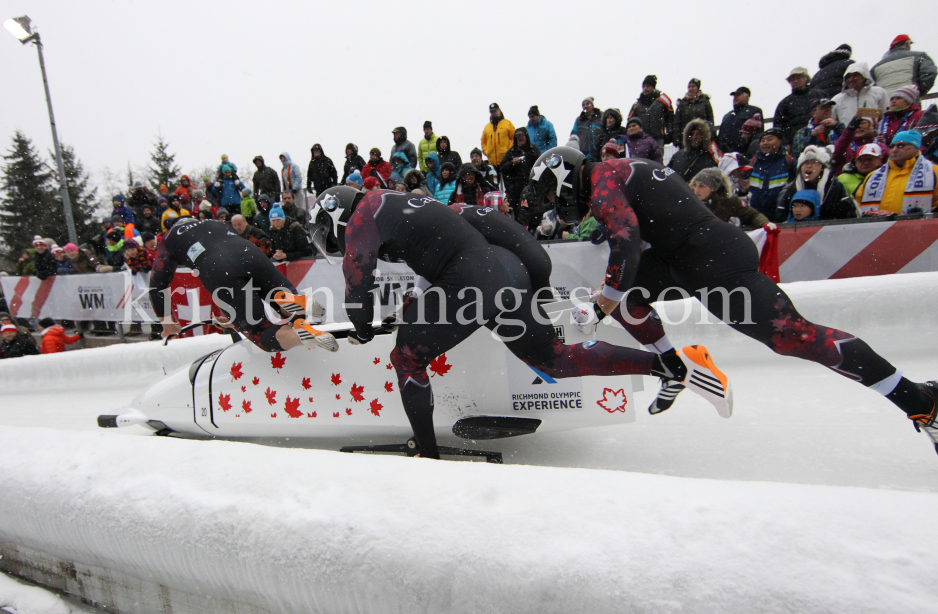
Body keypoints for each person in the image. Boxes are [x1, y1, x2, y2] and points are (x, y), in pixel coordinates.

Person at [529, 145, 938, 448]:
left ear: (562, 178)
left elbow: (626, 242)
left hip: (711, 260)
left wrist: (601, 308)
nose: (553, 203)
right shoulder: (615, 170)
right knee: (622, 299)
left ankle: (921, 402)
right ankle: (675, 367)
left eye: (550, 194)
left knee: (793, 337)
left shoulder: (603, 181)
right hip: (685, 257)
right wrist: (609, 300)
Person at [310, 186, 723, 459]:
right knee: (554, 360)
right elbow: (468, 242)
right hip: (500, 275)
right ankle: (672, 364)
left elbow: (357, 274)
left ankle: (427, 454)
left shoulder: (366, 211)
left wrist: (362, 324)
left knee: (406, 357)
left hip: (469, 281)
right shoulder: (405, 202)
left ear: (335, 213)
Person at [149, 217, 335, 352]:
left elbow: (157, 284)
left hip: (218, 266)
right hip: (251, 254)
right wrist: (232, 313)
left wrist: (166, 322)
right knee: (291, 308)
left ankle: (298, 337)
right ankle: (291, 302)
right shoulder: (213, 222)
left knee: (260, 332)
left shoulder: (168, 239)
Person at [854, 130, 937, 215]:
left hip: (918, 227)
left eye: (901, 145)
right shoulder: (872, 176)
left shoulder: (934, 172)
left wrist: (895, 218)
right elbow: (858, 208)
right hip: (879, 227)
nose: (894, 150)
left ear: (915, 148)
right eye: (891, 146)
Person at [773, 146, 857, 222]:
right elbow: (781, 217)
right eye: (805, 163)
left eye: (814, 162)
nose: (809, 166)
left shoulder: (835, 187)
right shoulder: (791, 189)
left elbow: (847, 215)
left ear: (823, 167)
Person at [690, 168, 769, 228]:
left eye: (702, 186)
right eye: (694, 185)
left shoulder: (729, 201)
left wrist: (764, 224)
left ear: (713, 188)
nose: (696, 190)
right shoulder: (688, 201)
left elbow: (753, 215)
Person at [774, 67, 827, 152]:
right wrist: (786, 142)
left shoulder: (819, 94)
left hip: (822, 136)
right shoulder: (785, 103)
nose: (795, 81)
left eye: (798, 78)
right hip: (797, 143)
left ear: (805, 79)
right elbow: (779, 125)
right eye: (792, 79)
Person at [748, 128, 795, 219]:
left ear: (779, 142)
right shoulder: (754, 163)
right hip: (755, 215)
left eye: (769, 139)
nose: (765, 143)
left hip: (780, 215)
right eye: (762, 140)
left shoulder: (789, 162)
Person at [870, 35, 937, 98]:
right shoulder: (920, 56)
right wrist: (917, 92)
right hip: (908, 101)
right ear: (907, 44)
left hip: (885, 106)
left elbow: (870, 86)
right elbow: (930, 73)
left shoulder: (875, 67)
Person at [831, 62, 889, 127]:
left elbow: (886, 116)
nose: (851, 79)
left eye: (855, 75)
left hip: (873, 135)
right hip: (847, 135)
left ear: (864, 76)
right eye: (848, 77)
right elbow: (831, 121)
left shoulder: (878, 92)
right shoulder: (837, 99)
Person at [499, 127, 539, 218]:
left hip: (531, 187)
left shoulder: (533, 150)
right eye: (518, 136)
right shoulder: (511, 152)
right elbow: (502, 168)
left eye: (522, 135)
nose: (520, 138)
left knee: (533, 212)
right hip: (516, 190)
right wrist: (512, 163)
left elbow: (541, 164)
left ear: (526, 136)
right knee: (518, 214)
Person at [669, 119, 723, 183]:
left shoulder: (713, 157)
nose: (694, 137)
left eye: (698, 134)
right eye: (692, 134)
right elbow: (668, 175)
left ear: (706, 136)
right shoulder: (678, 156)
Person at [628, 75, 674, 145]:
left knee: (658, 156)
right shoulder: (636, 105)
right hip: (641, 139)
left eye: (648, 86)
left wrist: (669, 133)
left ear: (653, 87)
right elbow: (630, 120)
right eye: (644, 87)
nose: (645, 89)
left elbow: (670, 119)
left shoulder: (663, 103)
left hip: (658, 138)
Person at [718, 87, 764, 155]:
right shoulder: (728, 115)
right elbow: (721, 135)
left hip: (745, 152)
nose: (735, 98)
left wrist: (745, 143)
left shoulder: (754, 111)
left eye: (738, 95)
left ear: (747, 97)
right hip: (727, 154)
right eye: (734, 96)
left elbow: (758, 133)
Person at [673, 78, 715, 145]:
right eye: (689, 87)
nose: (691, 88)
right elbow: (677, 122)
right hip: (686, 138)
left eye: (693, 86)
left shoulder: (705, 102)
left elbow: (710, 120)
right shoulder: (682, 103)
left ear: (698, 88)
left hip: (702, 137)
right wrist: (677, 138)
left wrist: (711, 135)